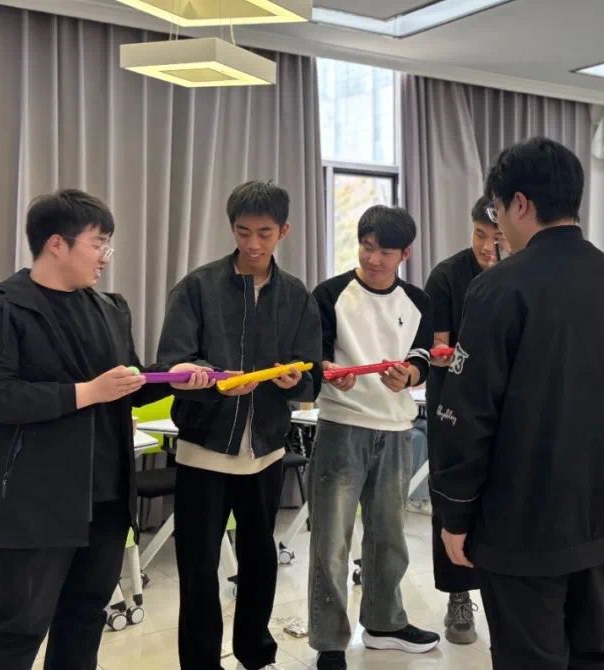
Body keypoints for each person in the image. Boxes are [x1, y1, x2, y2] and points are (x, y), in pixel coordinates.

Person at [431, 137, 604, 670]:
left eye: (497, 211)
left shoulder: (500, 288)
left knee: (530, 656)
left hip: (527, 520)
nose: (498, 227)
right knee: (596, 652)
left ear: (520, 203)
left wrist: (455, 513)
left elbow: (470, 414)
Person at [0, 190, 190, 670]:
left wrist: (177, 378)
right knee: (18, 628)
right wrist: (86, 392)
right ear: (56, 244)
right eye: (97, 243)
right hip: (33, 500)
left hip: (105, 496)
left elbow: (127, 386)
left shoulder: (110, 308)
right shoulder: (1, 307)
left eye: (108, 245)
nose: (105, 256)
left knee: (84, 620)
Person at [155, 181, 322, 670]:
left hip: (265, 451)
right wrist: (212, 382)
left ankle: (257, 654)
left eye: (264, 233)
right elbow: (172, 363)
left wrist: (296, 380)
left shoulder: (295, 295)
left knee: (260, 561)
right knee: (199, 567)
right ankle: (201, 663)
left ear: (283, 231)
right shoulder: (197, 287)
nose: (253, 243)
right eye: (243, 232)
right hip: (204, 449)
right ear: (231, 228)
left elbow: (311, 372)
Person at [308, 205, 439, 670]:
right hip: (342, 425)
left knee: (389, 537)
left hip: (397, 430)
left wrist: (411, 375)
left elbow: (423, 355)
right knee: (331, 541)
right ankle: (329, 642)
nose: (373, 259)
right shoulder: (329, 294)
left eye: (385, 251)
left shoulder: (418, 301)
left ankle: (384, 623)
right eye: (366, 247)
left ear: (405, 254)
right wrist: (329, 371)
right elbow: (315, 355)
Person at [422, 195, 505, 643]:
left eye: (497, 238)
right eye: (479, 235)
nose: (488, 247)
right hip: (453, 404)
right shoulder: (447, 276)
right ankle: (458, 596)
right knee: (452, 497)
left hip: (505, 406)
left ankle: (502, 591)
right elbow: (437, 347)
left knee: (501, 495)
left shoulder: (520, 274)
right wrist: (449, 355)